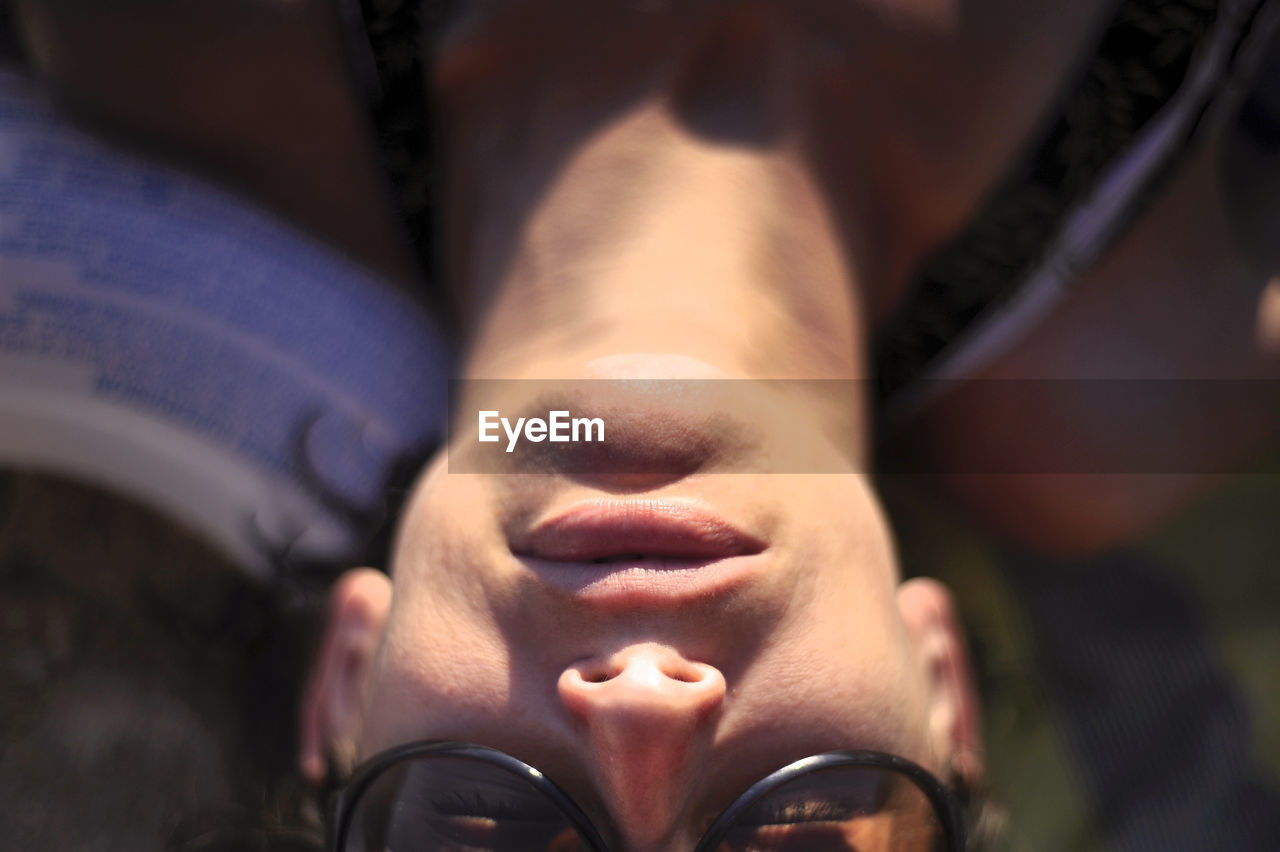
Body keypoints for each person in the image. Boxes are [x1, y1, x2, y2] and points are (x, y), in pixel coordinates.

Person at [296, 1, 1280, 849]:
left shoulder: (231, 69)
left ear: (347, 677)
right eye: (796, 838)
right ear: (941, 688)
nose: (645, 701)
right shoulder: (1132, 375)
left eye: (489, 829)